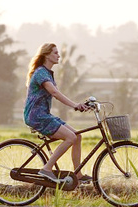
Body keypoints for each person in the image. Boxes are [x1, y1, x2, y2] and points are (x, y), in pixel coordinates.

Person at [24, 43, 91, 183]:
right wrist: (75, 105)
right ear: (46, 55)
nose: (58, 55)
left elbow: (58, 93)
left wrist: (81, 105)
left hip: (44, 115)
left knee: (77, 136)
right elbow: (54, 92)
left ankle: (77, 174)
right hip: (37, 116)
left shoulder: (47, 73)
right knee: (70, 137)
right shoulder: (41, 72)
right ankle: (47, 169)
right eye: (55, 53)